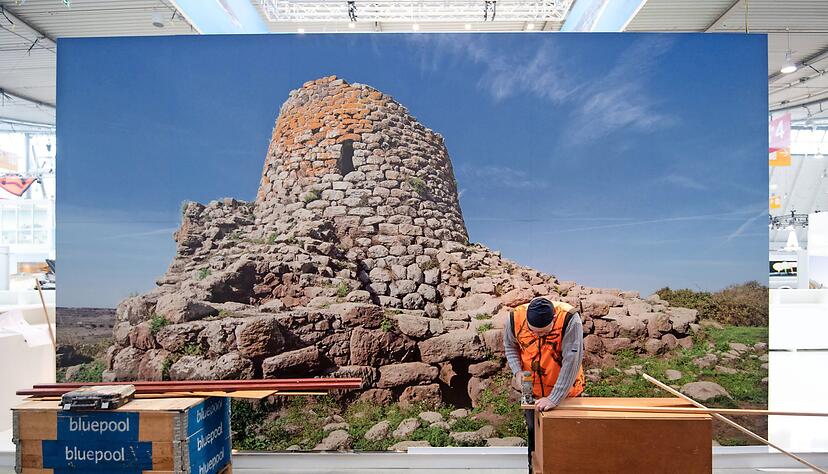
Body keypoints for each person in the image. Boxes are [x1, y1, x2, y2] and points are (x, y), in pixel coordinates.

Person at [503, 297, 585, 473]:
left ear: (553, 319)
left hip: (566, 393)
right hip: (533, 393)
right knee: (535, 439)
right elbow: (510, 346)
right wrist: (517, 371)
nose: (538, 336)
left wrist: (555, 398)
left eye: (543, 333)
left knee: (565, 441)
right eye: (534, 333)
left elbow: (572, 360)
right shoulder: (514, 318)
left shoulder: (570, 319)